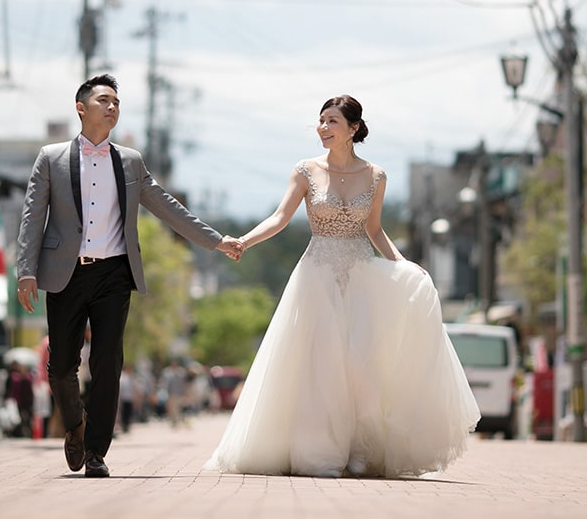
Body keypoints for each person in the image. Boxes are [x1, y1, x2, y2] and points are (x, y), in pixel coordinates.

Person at [204, 95, 482, 478]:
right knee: (319, 366)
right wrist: (244, 241)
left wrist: (403, 266)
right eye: (320, 121)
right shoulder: (305, 171)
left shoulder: (376, 175)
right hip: (317, 273)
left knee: (362, 367)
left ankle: (360, 452)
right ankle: (318, 450)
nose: (323, 127)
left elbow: (375, 230)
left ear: (353, 128)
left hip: (361, 273)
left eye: (332, 121)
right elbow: (281, 217)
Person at [17, 74, 243, 478]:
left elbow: (167, 206)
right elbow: (34, 215)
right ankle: (75, 425)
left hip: (114, 275)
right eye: (104, 100)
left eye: (117, 102)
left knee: (108, 362)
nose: (112, 107)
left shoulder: (131, 161)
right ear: (81, 108)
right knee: (60, 368)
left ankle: (96, 452)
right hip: (65, 273)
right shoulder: (50, 158)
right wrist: (26, 271)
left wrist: (215, 240)